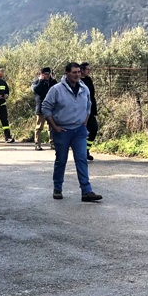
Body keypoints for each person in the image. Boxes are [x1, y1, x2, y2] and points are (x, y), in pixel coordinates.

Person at [42, 62, 102, 202]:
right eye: (74, 72)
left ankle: (86, 192)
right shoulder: (56, 89)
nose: (77, 75)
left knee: (81, 159)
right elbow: (46, 107)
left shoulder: (84, 88)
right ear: (67, 73)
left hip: (79, 130)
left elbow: (88, 105)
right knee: (61, 160)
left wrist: (85, 122)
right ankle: (57, 189)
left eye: (79, 72)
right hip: (62, 130)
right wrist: (54, 127)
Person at [31, 67, 56, 150]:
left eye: (49, 74)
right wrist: (41, 81)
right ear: (41, 74)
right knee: (39, 127)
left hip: (51, 107)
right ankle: (37, 144)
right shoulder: (36, 82)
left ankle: (52, 143)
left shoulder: (53, 82)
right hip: (41, 108)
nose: (48, 75)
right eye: (46, 74)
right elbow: (36, 90)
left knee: (52, 126)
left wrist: (53, 80)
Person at [78, 62, 98, 161]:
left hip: (89, 110)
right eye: (87, 69)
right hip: (80, 111)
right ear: (82, 70)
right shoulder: (77, 81)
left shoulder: (89, 80)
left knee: (94, 129)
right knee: (80, 131)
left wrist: (94, 110)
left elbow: (92, 96)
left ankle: (86, 150)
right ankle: (80, 152)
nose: (89, 71)